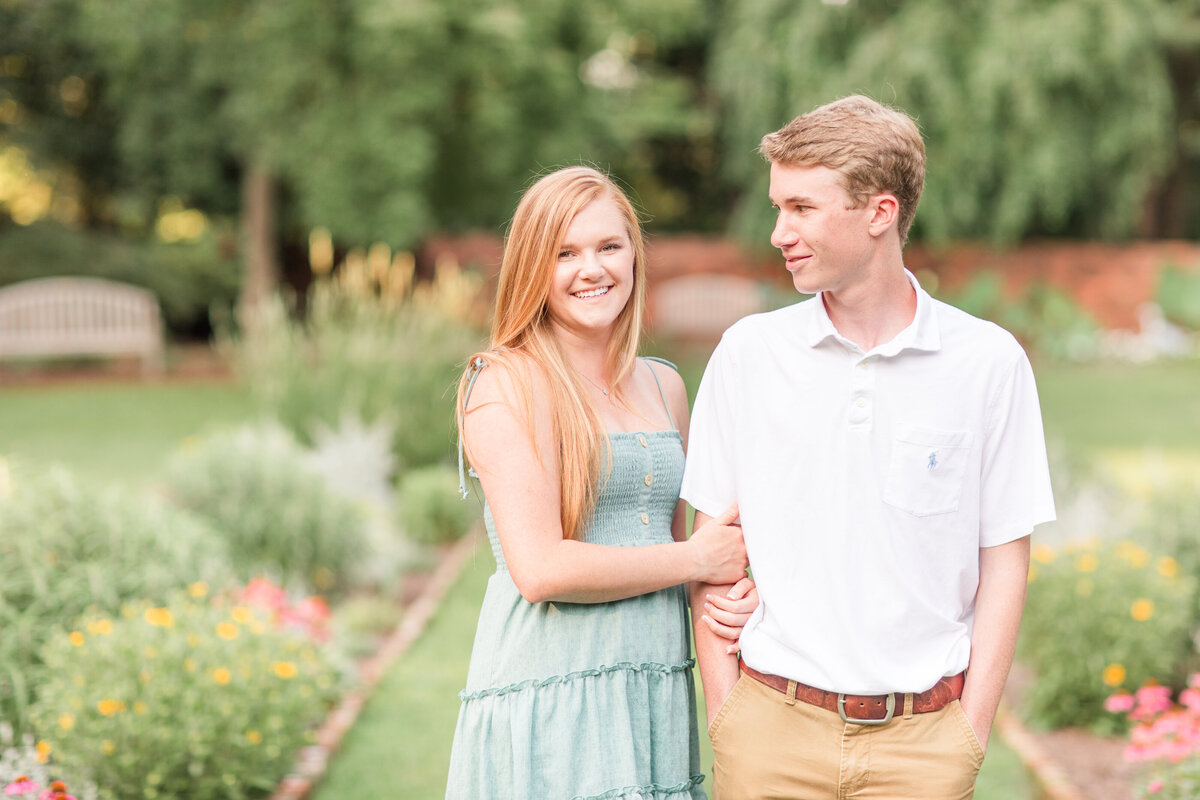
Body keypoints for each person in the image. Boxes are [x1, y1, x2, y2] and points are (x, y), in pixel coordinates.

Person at [682, 96, 1057, 799]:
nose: (778, 232)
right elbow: (712, 542)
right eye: (777, 207)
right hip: (769, 732)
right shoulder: (750, 355)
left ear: (879, 213)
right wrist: (726, 714)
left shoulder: (987, 363)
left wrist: (968, 734)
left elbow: (1004, 559)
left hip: (924, 744)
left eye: (801, 208)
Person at [445, 166, 754, 800]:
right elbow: (541, 570)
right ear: (535, 267)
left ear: (634, 255)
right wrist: (696, 557)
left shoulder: (665, 385)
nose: (592, 269)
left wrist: (723, 591)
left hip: (654, 691)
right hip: (553, 691)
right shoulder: (506, 383)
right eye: (565, 253)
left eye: (609, 246)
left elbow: (685, 564)